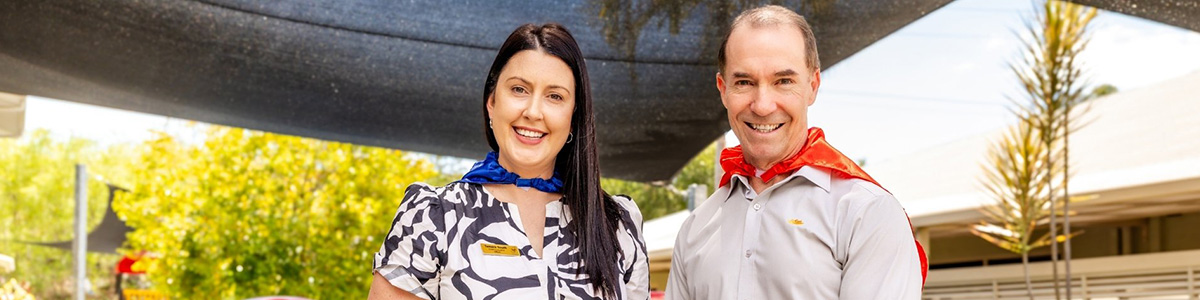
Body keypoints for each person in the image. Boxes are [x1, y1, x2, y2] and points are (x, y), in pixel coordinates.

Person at [368, 23, 649, 300]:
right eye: (519, 90)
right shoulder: (434, 217)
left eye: (554, 96)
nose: (533, 111)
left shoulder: (616, 223)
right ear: (492, 101)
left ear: (573, 117)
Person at [665, 5, 927, 300]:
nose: (762, 105)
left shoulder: (866, 213)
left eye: (783, 81)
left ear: (812, 85)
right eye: (744, 82)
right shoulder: (696, 227)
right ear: (723, 89)